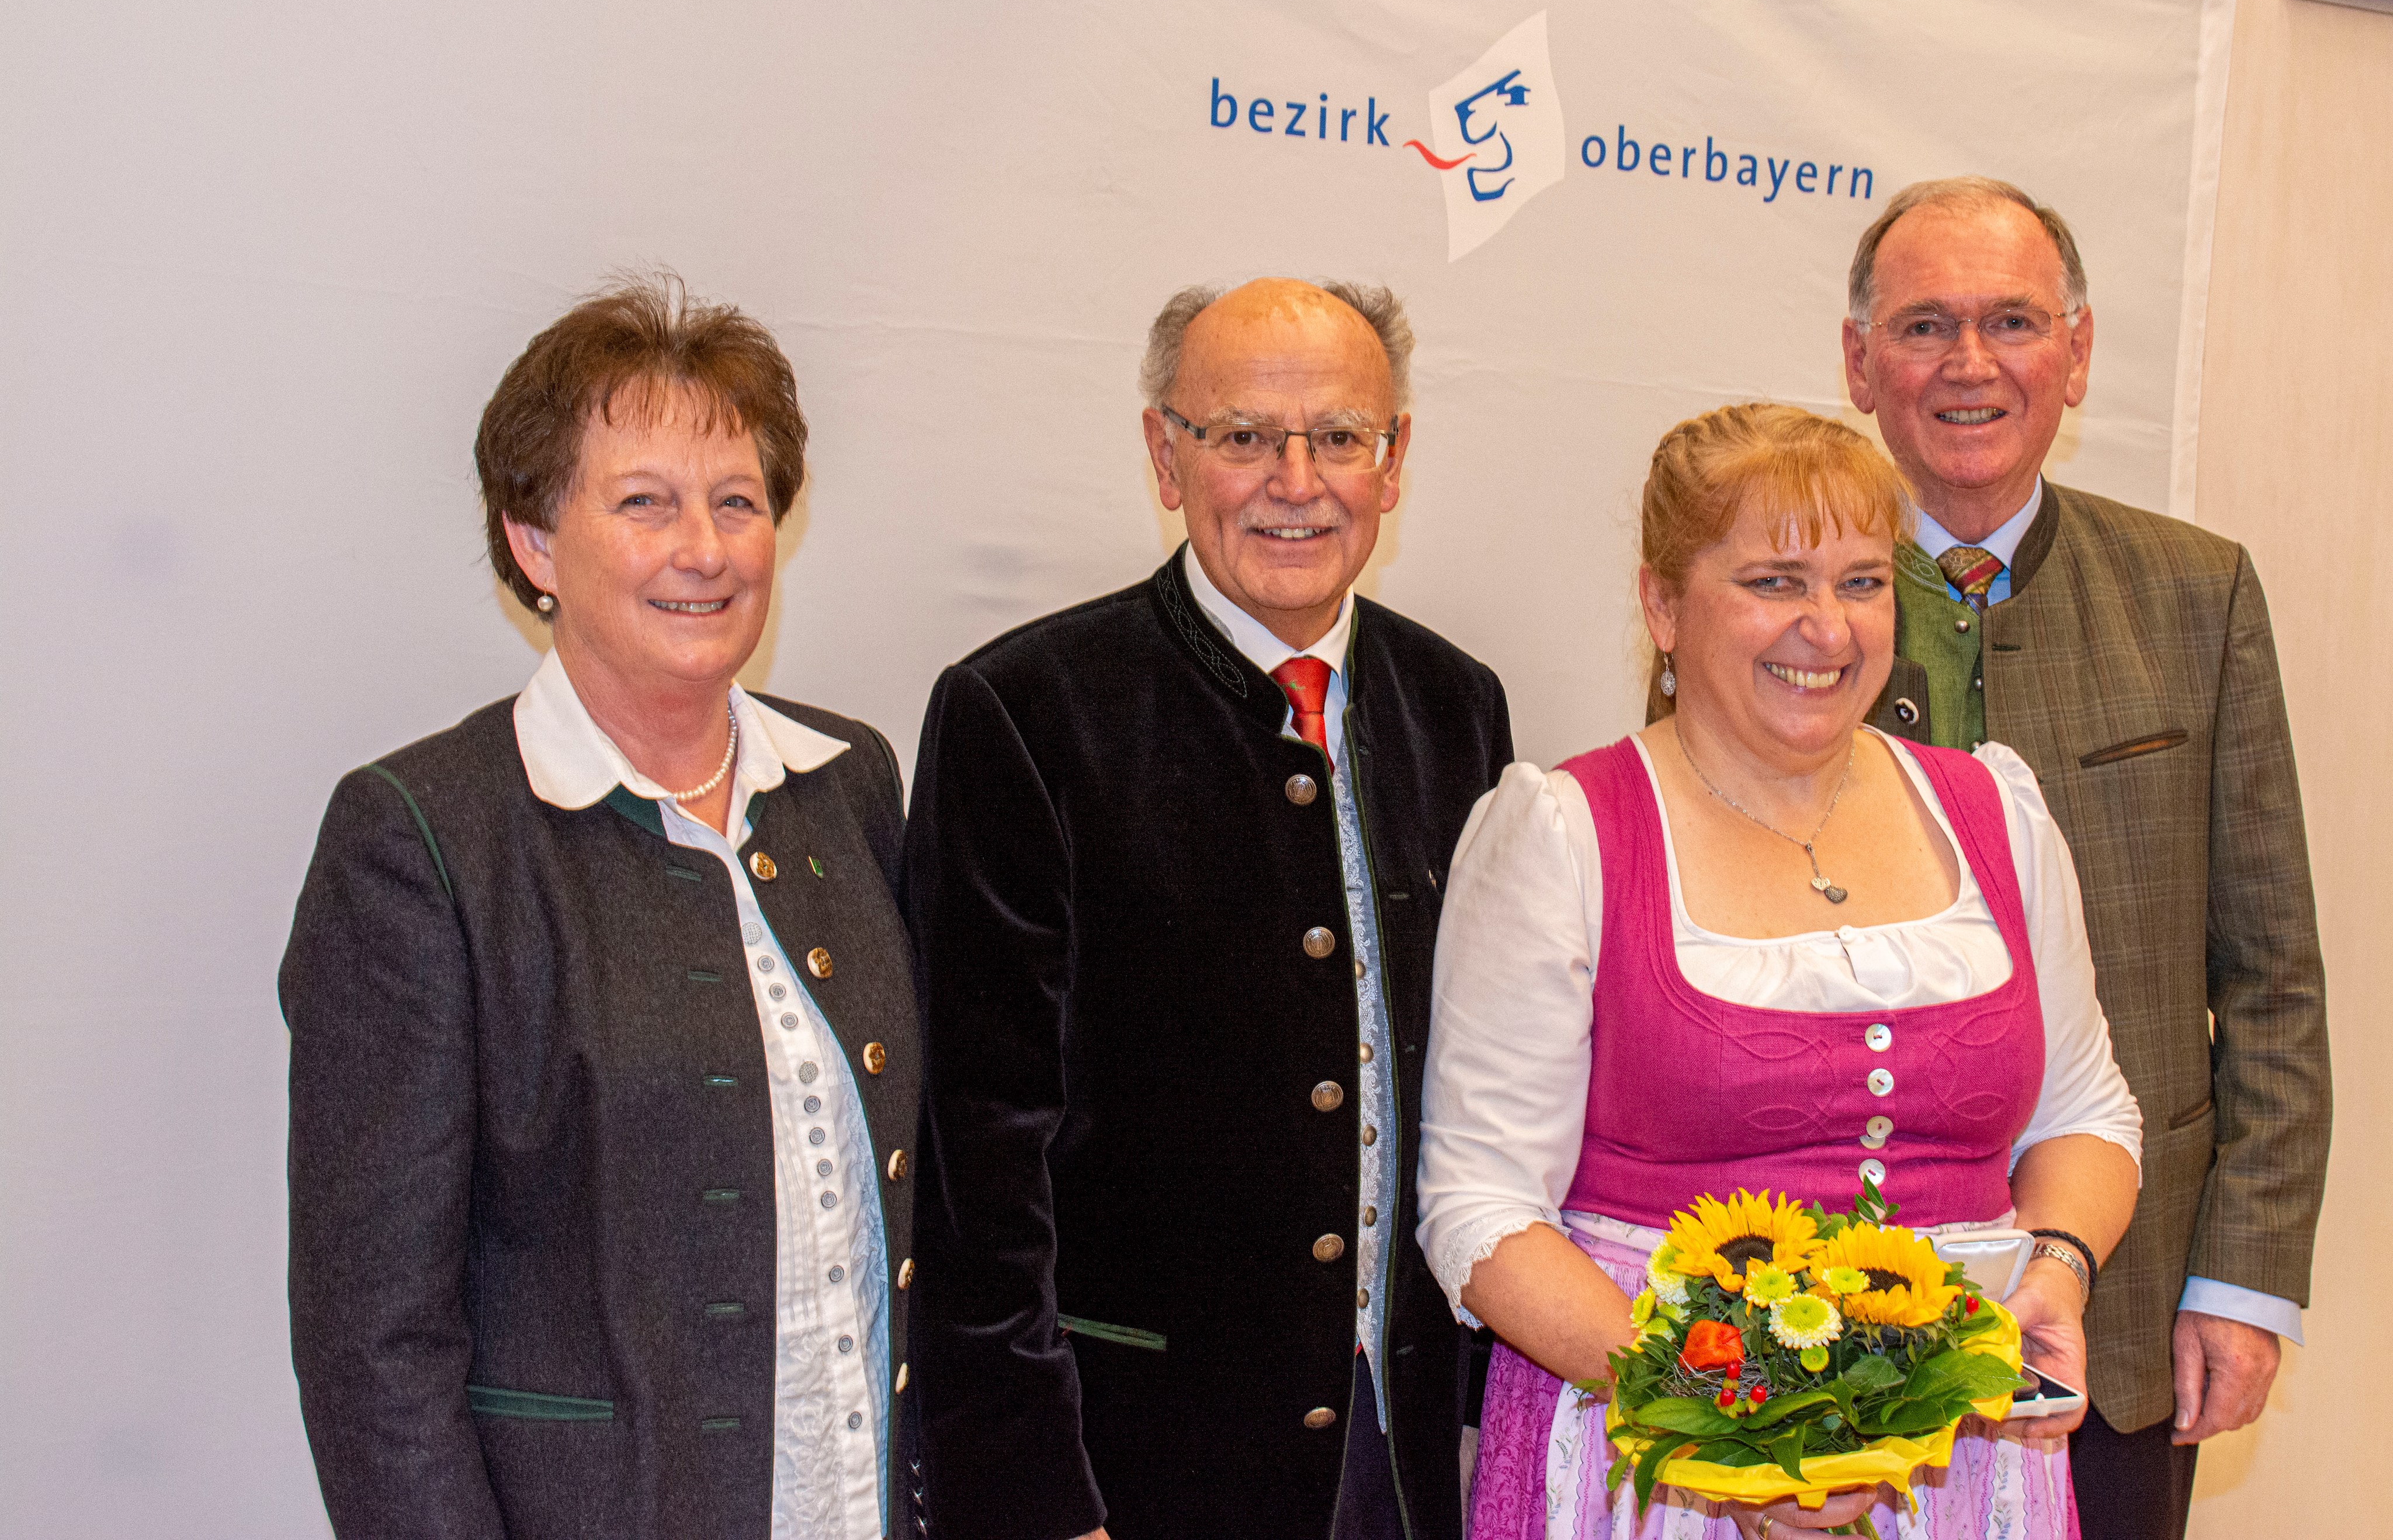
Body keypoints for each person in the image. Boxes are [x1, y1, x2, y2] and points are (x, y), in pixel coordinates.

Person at [1421, 403, 2145, 1538]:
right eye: (1771, 581)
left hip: (1950, 1463)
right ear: (1661, 604)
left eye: (1859, 582)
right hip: (1658, 1450)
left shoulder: (1990, 811)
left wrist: (2052, 1267)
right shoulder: (1566, 833)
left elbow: (2083, 1111)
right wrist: (1733, 1434)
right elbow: (1479, 1208)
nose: (1825, 628)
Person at [283, 277, 920, 1539]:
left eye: (735, 503)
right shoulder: (422, 839)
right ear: (533, 543)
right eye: (644, 504)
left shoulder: (847, 785)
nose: (703, 548)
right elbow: (374, 1345)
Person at [904, 278, 1512, 1540]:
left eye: (1339, 437)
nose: (1296, 480)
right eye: (1241, 436)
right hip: (1135, 1465)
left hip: (1401, 1458)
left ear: (1392, 464)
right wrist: (1024, 1493)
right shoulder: (1026, 711)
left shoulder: (1458, 707)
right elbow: (979, 1163)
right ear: (1162, 455)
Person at [1841, 178, 2330, 1540]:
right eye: (1923, 324)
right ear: (1857, 362)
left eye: (2010, 322)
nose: (1968, 364)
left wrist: (2240, 1282)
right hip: (1845, 1309)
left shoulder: (2194, 591)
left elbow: (2274, 975)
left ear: (2076, 349)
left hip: (2125, 1325)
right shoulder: (1781, 594)